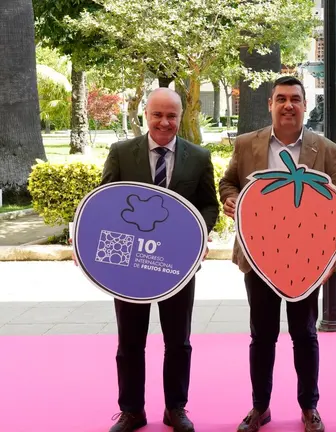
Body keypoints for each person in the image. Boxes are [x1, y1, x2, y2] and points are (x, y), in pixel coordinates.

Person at [218, 76, 336, 432]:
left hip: (307, 262)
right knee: (262, 336)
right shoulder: (247, 144)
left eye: (295, 99)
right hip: (257, 257)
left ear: (305, 105)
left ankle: (309, 407)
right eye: (281, 99)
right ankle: (260, 406)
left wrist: (330, 261)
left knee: (305, 335)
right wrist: (231, 198)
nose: (288, 105)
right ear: (270, 104)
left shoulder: (326, 149)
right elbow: (228, 181)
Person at [100, 87, 220, 432]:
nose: (164, 122)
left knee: (178, 342)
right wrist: (89, 246)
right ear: (146, 115)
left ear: (181, 117)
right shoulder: (121, 153)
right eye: (157, 115)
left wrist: (199, 233)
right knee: (129, 342)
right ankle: (131, 411)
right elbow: (104, 202)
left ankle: (175, 409)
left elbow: (208, 205)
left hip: (177, 266)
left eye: (171, 116)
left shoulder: (198, 157)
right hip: (129, 267)